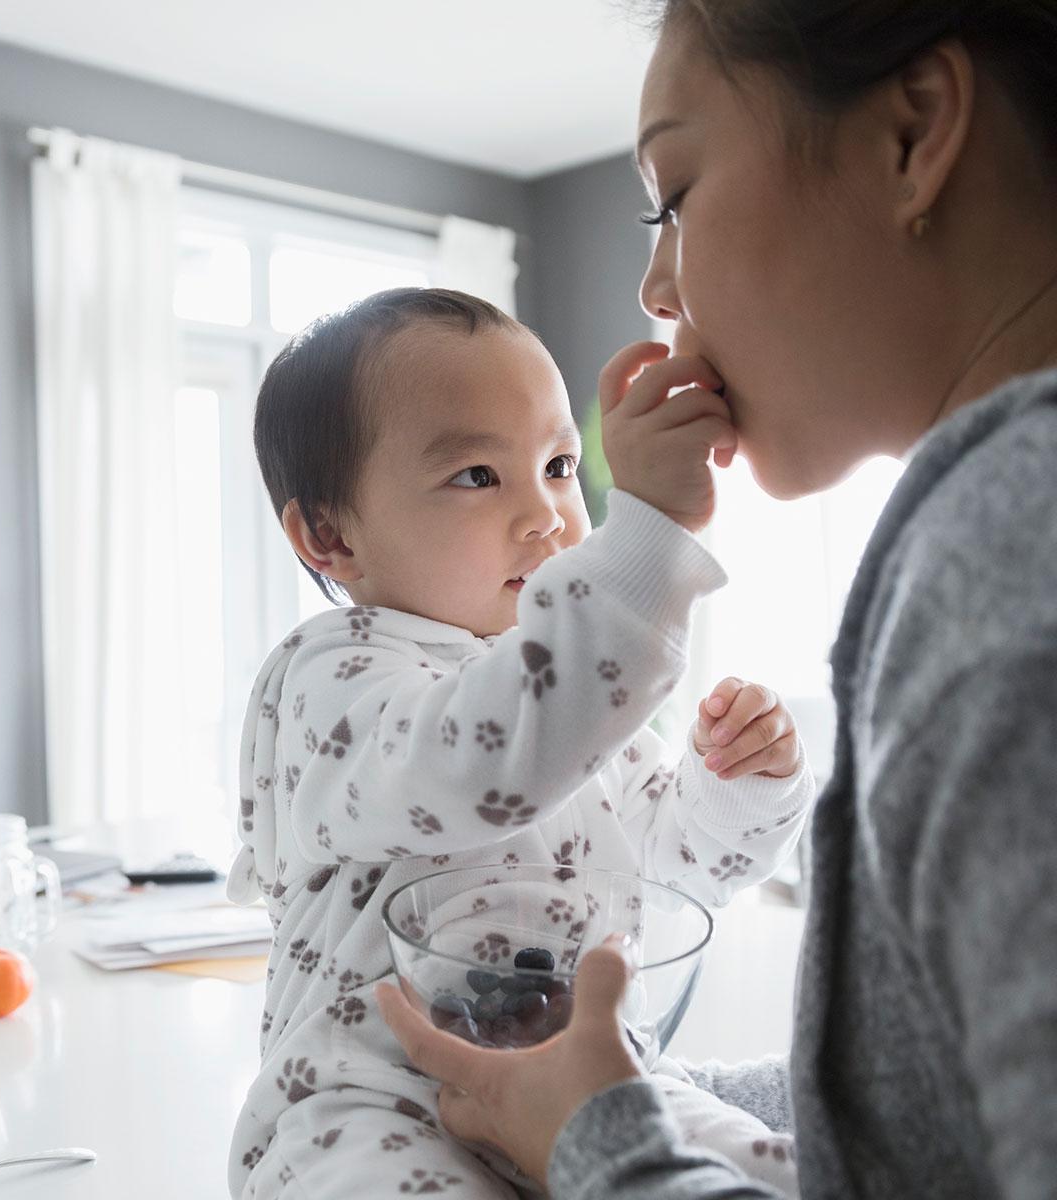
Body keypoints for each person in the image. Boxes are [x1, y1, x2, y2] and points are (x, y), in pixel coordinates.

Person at [376, 2, 1057, 1197]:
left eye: (674, 195)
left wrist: (602, 1147)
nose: (654, 282)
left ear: (915, 133)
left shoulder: (1011, 556)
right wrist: (628, 1101)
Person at [225, 286, 815, 1198]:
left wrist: (742, 783)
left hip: (594, 1080)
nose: (548, 516)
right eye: (476, 476)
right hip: (378, 1100)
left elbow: (684, 866)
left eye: (561, 466)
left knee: (781, 1170)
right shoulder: (330, 673)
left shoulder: (567, 691)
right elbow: (482, 761)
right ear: (331, 536)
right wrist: (647, 539)